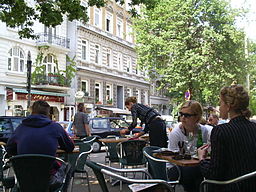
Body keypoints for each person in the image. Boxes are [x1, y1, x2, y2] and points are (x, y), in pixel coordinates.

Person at [6, 100, 75, 191]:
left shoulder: (20, 128)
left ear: (32, 111)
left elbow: (9, 149)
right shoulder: (55, 127)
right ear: (48, 113)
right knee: (69, 167)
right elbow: (70, 147)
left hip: (25, 178)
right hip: (49, 179)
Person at [198, 84, 256, 192]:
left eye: (221, 102)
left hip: (232, 187)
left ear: (228, 106)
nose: (219, 107)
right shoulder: (254, 127)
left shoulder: (221, 131)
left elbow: (214, 173)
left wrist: (201, 159)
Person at [168, 100, 210, 192]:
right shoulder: (176, 133)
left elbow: (206, 150)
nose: (182, 118)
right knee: (192, 172)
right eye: (181, 114)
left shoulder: (203, 131)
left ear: (197, 117)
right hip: (176, 167)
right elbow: (172, 157)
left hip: (196, 165)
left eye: (187, 115)